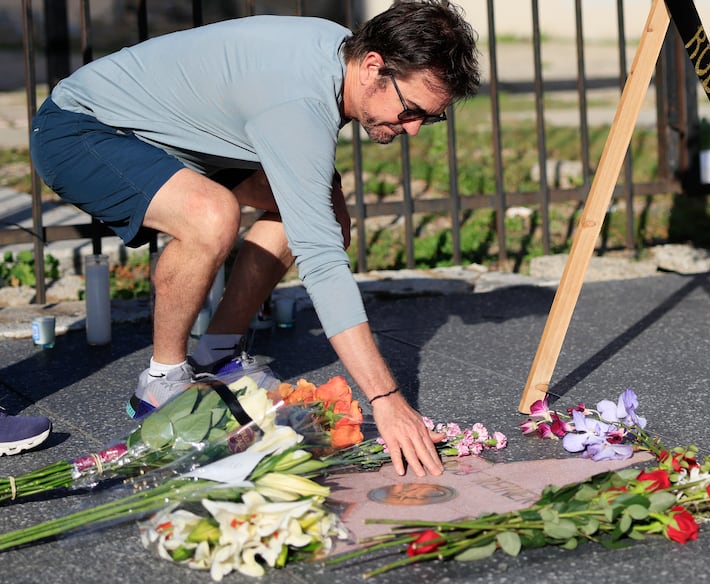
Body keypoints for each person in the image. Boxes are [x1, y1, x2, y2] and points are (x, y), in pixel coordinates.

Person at [29, 0, 481, 478]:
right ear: (373, 67)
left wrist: (331, 197)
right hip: (82, 128)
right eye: (411, 110)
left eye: (428, 118)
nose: (412, 128)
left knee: (314, 209)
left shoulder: (339, 54)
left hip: (177, 136)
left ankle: (219, 352)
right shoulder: (299, 98)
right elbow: (322, 261)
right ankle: (161, 381)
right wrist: (387, 400)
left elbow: (304, 171)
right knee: (210, 215)